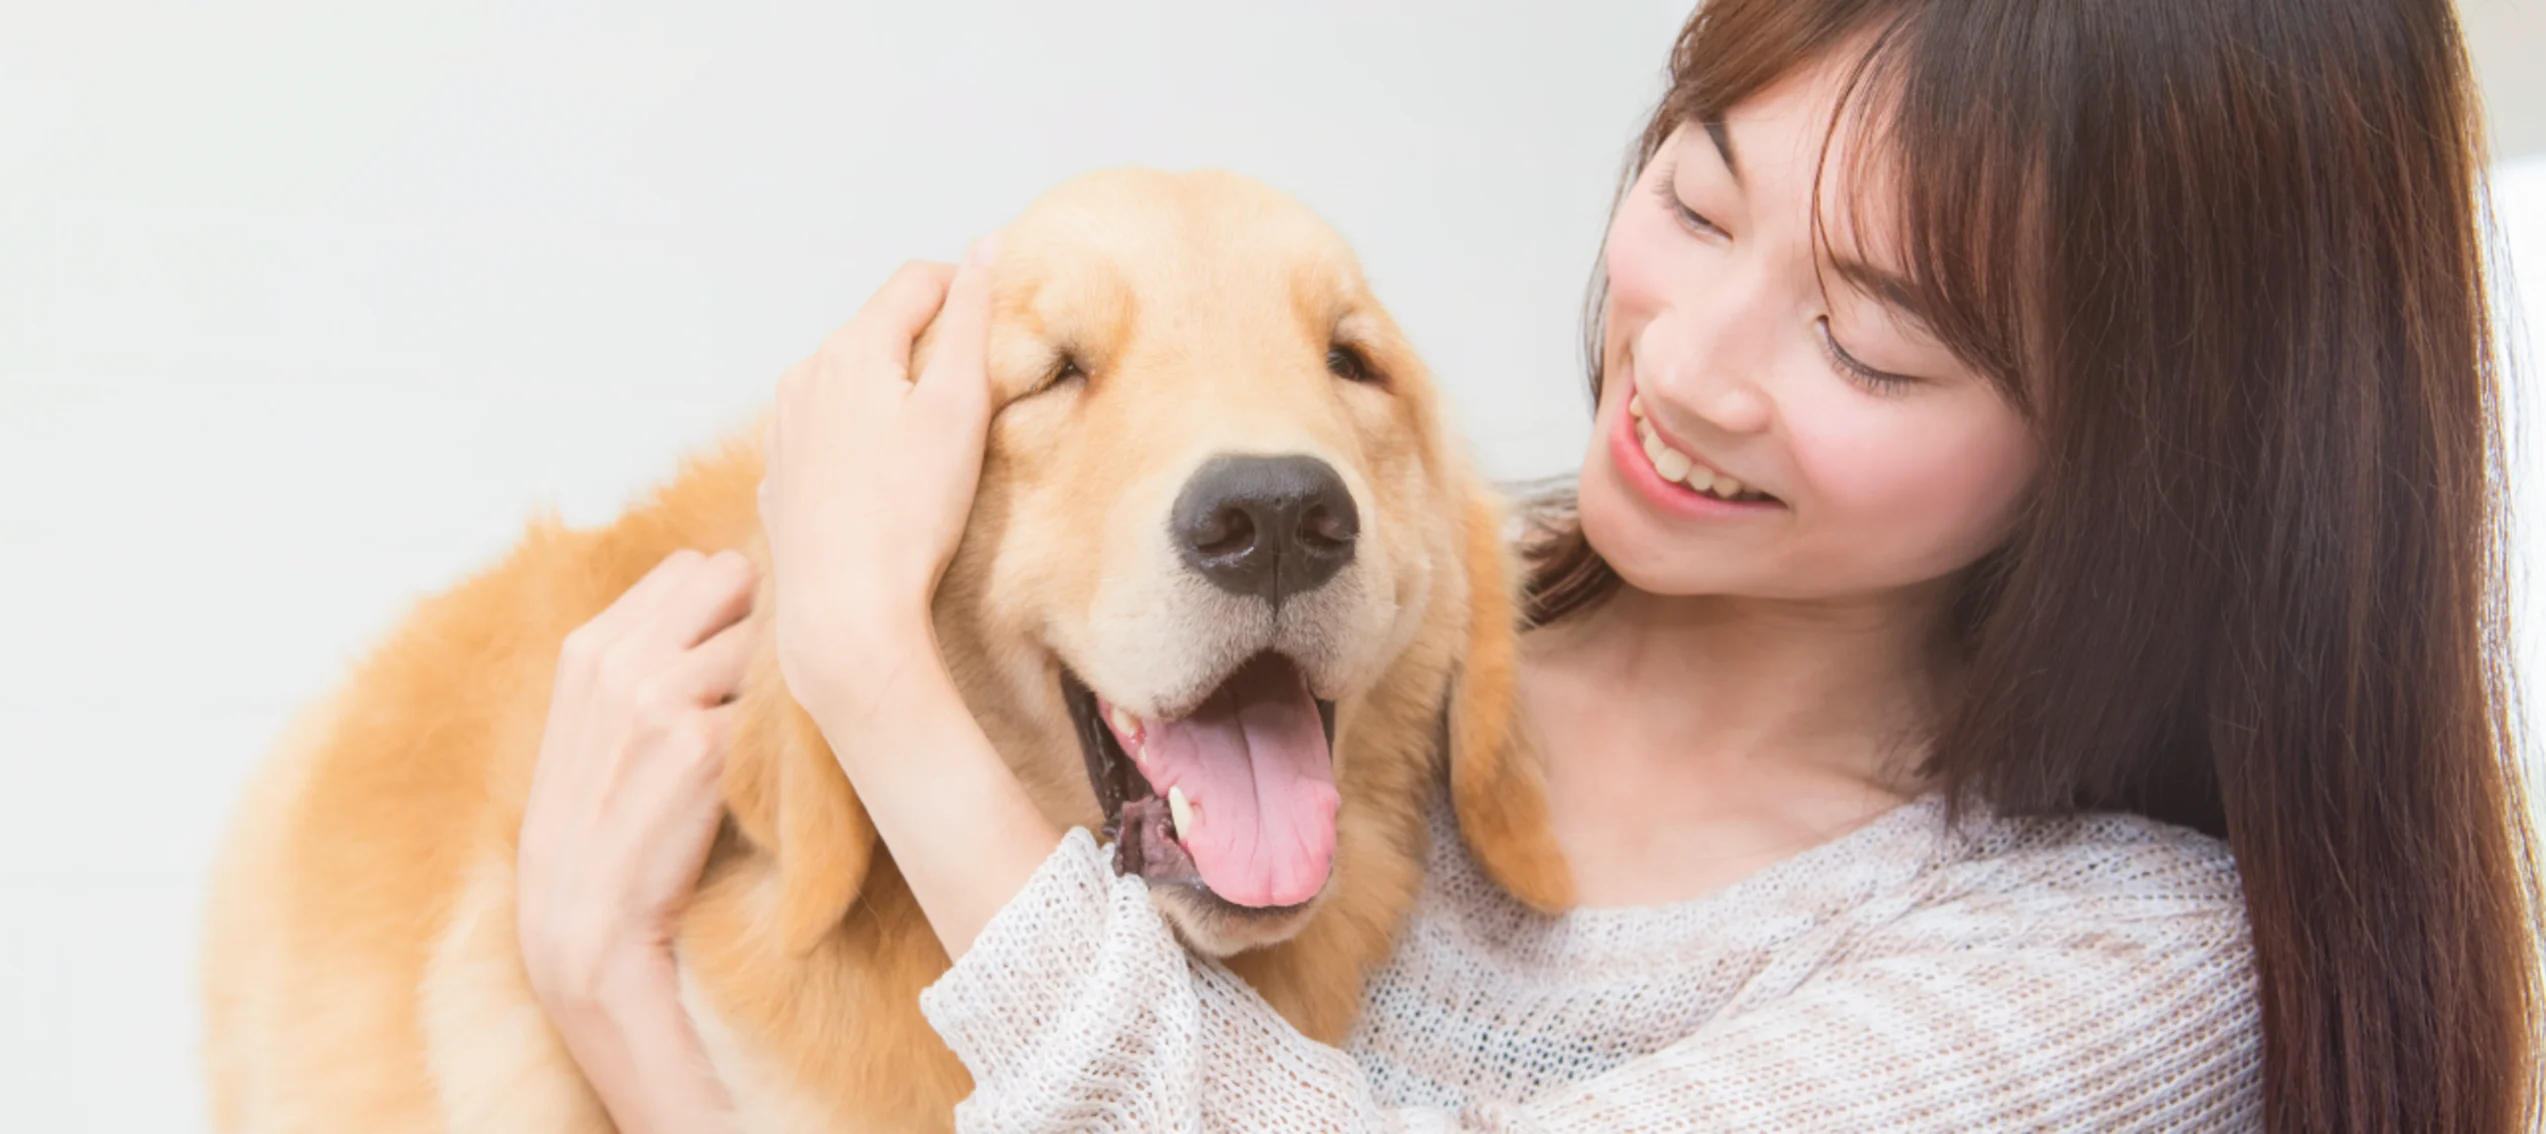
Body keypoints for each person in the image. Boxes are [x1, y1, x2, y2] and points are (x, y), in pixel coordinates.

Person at [512, 0, 2543, 1129]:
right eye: (1696, 191)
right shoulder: (1373, 615)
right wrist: (618, 997)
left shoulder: (2125, 971)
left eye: (1874, 340)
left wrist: (866, 662)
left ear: (2160, 453)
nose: (1692, 365)